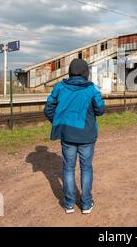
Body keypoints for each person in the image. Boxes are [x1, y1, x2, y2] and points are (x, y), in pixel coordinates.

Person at [43, 59, 105, 214]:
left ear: (70, 71)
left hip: (67, 135)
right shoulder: (92, 89)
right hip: (87, 136)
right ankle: (86, 204)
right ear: (86, 73)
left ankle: (69, 204)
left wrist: (59, 121)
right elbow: (100, 110)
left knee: (68, 169)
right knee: (86, 168)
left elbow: (48, 108)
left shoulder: (60, 87)